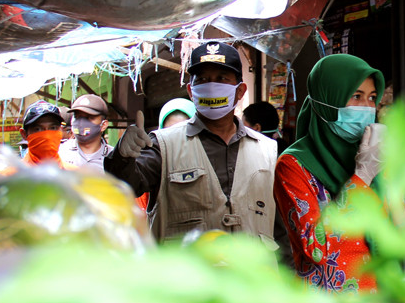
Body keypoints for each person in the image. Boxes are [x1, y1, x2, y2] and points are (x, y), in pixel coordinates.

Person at [105, 43, 279, 245]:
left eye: (221, 78)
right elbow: (125, 187)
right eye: (203, 79)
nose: (211, 86)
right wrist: (123, 157)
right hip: (186, 276)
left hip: (253, 275)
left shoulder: (268, 150)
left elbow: (280, 229)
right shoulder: (162, 146)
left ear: (240, 91)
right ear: (191, 91)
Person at [273, 54, 386, 292]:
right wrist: (362, 177)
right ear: (327, 98)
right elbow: (316, 248)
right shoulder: (293, 165)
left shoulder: (376, 156)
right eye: (356, 96)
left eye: (372, 98)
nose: (366, 108)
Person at [59, 94, 114, 172]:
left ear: (103, 125)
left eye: (89, 117)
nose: (81, 123)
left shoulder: (114, 158)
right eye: (77, 117)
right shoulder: (59, 152)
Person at [20, 101, 66, 167]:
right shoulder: (10, 175)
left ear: (61, 131)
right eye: (37, 129)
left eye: (52, 128)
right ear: (24, 134)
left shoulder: (74, 174)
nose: (47, 136)